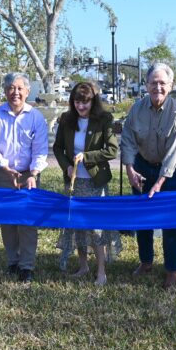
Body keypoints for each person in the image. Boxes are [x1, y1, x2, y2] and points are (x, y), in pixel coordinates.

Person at [120, 63, 176, 290]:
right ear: (146, 85)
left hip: (169, 170)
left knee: (170, 220)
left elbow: (175, 152)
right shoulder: (136, 109)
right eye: (153, 83)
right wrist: (130, 169)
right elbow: (127, 139)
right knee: (143, 218)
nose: (157, 87)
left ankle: (173, 268)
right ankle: (146, 261)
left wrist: (160, 181)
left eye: (162, 83)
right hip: (141, 166)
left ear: (171, 85)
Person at [53, 81, 119, 286]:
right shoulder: (66, 119)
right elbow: (57, 148)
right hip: (74, 182)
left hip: (95, 183)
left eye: (85, 102)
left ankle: (101, 271)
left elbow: (112, 150)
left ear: (93, 101)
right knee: (77, 225)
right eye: (77, 102)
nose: (81, 106)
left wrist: (87, 156)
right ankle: (83, 266)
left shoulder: (104, 119)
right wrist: (67, 166)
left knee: (96, 228)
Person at [0, 73, 48, 283]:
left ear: (28, 92)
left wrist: (34, 174)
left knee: (28, 223)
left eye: (20, 88)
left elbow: (40, 151)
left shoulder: (36, 117)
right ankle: (13, 261)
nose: (16, 93)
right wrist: (5, 167)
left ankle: (26, 266)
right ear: (5, 91)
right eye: (11, 88)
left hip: (30, 175)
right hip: (4, 174)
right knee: (8, 220)